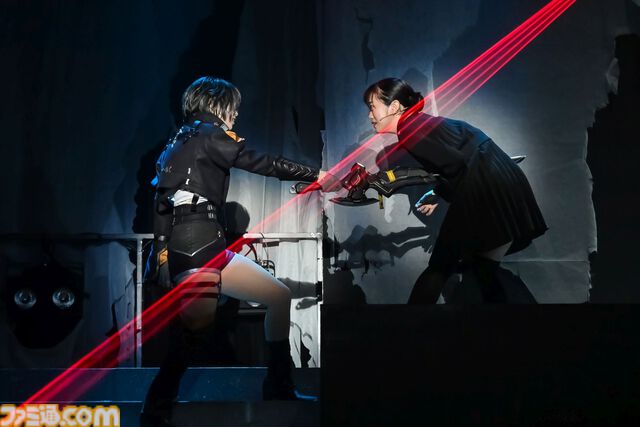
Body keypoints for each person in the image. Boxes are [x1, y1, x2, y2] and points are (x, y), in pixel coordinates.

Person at [141, 76, 322, 426]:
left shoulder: (179, 140)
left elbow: (160, 203)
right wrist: (316, 174)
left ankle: (279, 385)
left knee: (278, 296)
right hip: (197, 241)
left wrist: (162, 249)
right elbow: (263, 163)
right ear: (216, 105)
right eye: (233, 108)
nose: (236, 115)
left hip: (202, 241)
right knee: (196, 327)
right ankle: (156, 407)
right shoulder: (209, 134)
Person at [363, 77, 548, 304]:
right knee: (483, 269)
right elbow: (455, 162)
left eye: (372, 107)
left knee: (441, 266)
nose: (370, 116)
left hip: (485, 183)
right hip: (501, 179)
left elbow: (456, 165)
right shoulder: (416, 123)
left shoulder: (408, 129)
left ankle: (411, 323)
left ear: (393, 106)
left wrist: (440, 194)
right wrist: (437, 194)